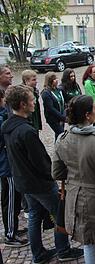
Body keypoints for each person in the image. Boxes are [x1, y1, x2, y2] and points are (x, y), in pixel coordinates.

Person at [2, 85, 83, 263]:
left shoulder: (8, 126)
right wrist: (55, 176)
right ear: (23, 104)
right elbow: (41, 163)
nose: (34, 103)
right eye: (32, 100)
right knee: (59, 214)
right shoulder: (27, 131)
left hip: (23, 182)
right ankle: (63, 250)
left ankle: (38, 254)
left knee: (34, 215)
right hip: (39, 184)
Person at [52, 95, 95, 264]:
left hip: (75, 198)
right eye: (94, 108)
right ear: (87, 115)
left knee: (88, 241)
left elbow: (56, 173)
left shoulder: (62, 139)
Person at [0, 88, 29, 247]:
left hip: (9, 164)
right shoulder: (2, 119)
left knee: (14, 199)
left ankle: (14, 228)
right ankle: (10, 234)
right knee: (10, 201)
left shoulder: (4, 115)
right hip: (6, 166)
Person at [41, 72, 66, 140]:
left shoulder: (59, 90)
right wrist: (62, 117)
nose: (57, 80)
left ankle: (57, 148)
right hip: (53, 119)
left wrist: (64, 114)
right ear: (49, 81)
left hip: (62, 116)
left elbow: (64, 103)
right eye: (54, 79)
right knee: (61, 133)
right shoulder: (46, 93)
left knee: (58, 135)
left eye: (56, 78)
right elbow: (50, 108)